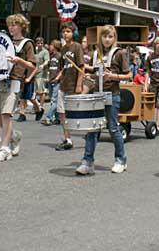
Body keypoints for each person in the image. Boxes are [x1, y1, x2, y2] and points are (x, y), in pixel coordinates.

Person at [76, 24, 131, 175]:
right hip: (97, 94)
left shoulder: (120, 53)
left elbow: (128, 75)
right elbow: (95, 73)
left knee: (113, 128)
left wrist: (113, 76)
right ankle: (87, 162)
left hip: (112, 94)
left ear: (114, 38)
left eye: (110, 36)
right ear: (100, 37)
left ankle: (121, 160)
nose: (107, 39)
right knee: (92, 129)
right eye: (105, 36)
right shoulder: (95, 53)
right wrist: (88, 77)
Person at [0, 14, 33, 161]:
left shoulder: (26, 44)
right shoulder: (5, 42)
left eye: (14, 24)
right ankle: (13, 136)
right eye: (10, 24)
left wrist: (19, 60)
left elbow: (32, 66)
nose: (11, 27)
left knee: (6, 114)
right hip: (0, 80)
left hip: (15, 81)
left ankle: (5, 148)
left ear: (21, 27)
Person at [55, 22, 83, 151]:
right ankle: (68, 139)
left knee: (76, 113)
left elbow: (81, 67)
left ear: (74, 33)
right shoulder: (63, 49)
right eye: (64, 31)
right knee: (62, 113)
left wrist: (78, 85)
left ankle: (88, 135)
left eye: (68, 31)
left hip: (73, 85)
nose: (66, 34)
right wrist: (58, 77)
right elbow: (62, 67)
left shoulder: (77, 47)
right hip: (63, 84)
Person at [41, 40, 63, 126]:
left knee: (54, 100)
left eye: (51, 45)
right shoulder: (51, 55)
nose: (50, 46)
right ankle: (57, 119)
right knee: (53, 100)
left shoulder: (59, 56)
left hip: (57, 81)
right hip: (50, 80)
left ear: (55, 46)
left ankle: (48, 118)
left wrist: (58, 78)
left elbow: (62, 69)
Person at [33, 37, 50, 114]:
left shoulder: (45, 51)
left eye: (41, 43)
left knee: (41, 91)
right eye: (38, 43)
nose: (40, 44)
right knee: (34, 92)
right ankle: (35, 107)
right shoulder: (34, 51)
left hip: (41, 73)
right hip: (33, 73)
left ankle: (41, 106)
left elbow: (47, 60)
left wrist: (43, 65)